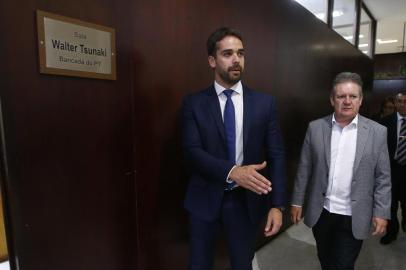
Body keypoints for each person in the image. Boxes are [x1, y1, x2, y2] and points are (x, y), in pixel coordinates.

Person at [182, 27, 286, 270]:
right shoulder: (194, 103)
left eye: (240, 53)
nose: (236, 59)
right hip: (203, 198)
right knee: (199, 264)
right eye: (227, 53)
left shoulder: (264, 103)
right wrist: (233, 171)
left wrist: (277, 205)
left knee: (243, 264)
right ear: (212, 60)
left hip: (245, 201)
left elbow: (277, 155)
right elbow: (192, 152)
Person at [290, 72, 391, 270]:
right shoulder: (316, 128)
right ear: (332, 99)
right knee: (326, 260)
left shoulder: (377, 132)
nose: (347, 101)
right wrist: (297, 201)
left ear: (360, 100)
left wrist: (382, 212)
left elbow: (383, 177)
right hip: (323, 212)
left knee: (343, 265)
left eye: (353, 96)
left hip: (355, 215)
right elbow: (305, 168)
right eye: (341, 96)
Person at [380, 91, 406, 244]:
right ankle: (391, 232)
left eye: (405, 101)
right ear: (395, 104)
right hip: (390, 170)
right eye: (400, 101)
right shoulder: (385, 122)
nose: (403, 104)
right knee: (390, 205)